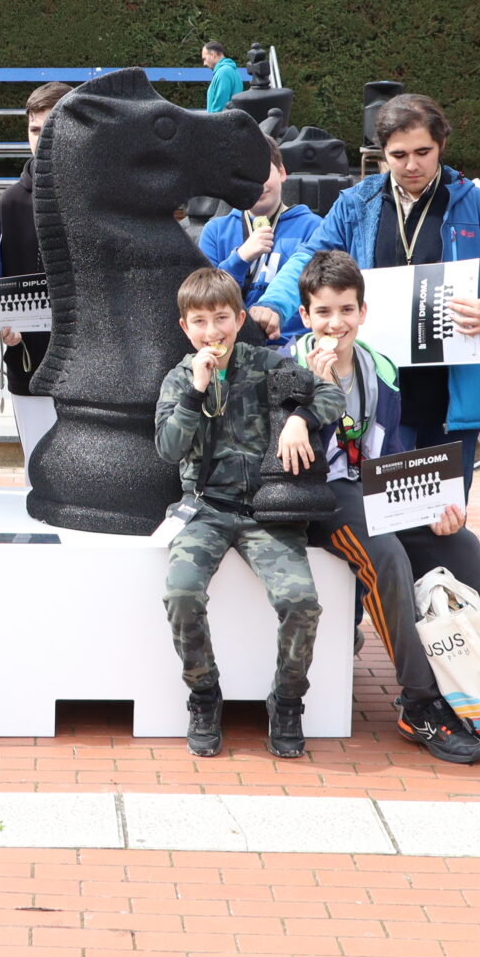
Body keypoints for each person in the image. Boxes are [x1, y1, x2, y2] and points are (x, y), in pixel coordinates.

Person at [285, 252, 480, 764]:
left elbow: (391, 450)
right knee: (388, 559)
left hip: (373, 489)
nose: (336, 324)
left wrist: (433, 502)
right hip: (320, 498)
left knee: (460, 544)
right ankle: (420, 702)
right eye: (324, 312)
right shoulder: (286, 369)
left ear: (363, 311)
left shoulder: (379, 367)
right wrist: (318, 394)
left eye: (347, 310)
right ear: (306, 316)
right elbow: (293, 460)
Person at [262, 94, 480, 468]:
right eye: (398, 155)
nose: (412, 165)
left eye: (423, 151)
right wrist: (274, 303)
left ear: (442, 145)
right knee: (379, 520)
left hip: (450, 401)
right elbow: (310, 258)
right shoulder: (356, 204)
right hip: (376, 398)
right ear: (382, 152)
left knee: (445, 522)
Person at [153, 268, 344, 759]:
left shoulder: (265, 363)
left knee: (301, 601)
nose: (212, 332)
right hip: (206, 510)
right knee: (180, 591)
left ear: (240, 318)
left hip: (267, 511)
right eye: (200, 321)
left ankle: (286, 701)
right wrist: (196, 390)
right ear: (185, 327)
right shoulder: (179, 377)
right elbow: (169, 449)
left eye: (222, 318)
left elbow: (330, 396)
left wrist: (300, 419)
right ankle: (203, 695)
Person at [0, 82, 74, 474]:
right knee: (38, 471)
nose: (43, 140)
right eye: (35, 130)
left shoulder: (101, 198)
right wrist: (3, 326)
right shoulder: (11, 202)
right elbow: (3, 277)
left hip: (90, 362)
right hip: (29, 357)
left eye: (54, 128)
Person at [199, 134, 320, 344]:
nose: (257, 184)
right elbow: (201, 301)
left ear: (282, 172)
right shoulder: (215, 231)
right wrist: (239, 259)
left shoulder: (314, 228)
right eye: (245, 177)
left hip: (292, 349)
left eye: (263, 172)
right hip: (229, 350)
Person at [202, 42, 244, 113]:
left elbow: (219, 109)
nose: (204, 63)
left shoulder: (223, 73)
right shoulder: (232, 70)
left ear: (212, 55)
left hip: (221, 122)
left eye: (204, 59)